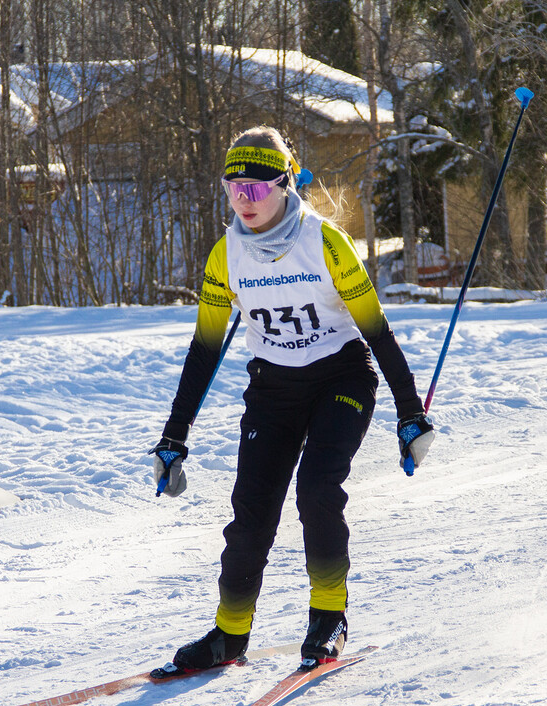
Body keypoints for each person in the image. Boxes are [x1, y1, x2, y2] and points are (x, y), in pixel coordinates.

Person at [150, 126, 435, 671]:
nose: (244, 200)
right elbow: (204, 350)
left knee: (317, 490)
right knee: (251, 513)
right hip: (273, 388)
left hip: (340, 379)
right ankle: (230, 634)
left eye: (256, 188)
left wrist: (410, 413)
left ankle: (329, 619)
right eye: (233, 188)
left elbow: (376, 330)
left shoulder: (325, 242)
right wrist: (173, 438)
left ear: (284, 184)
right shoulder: (225, 256)